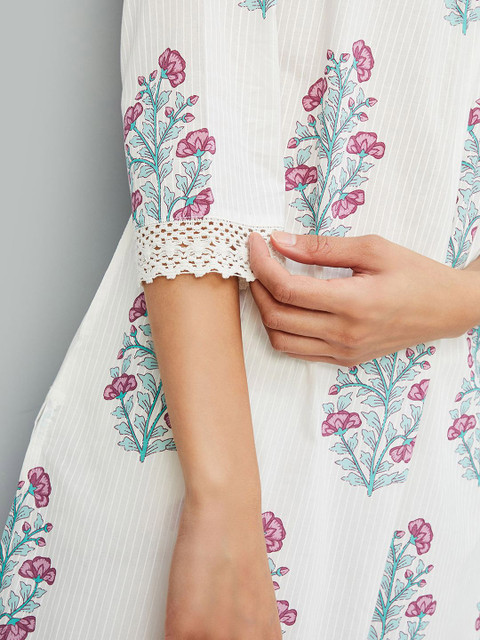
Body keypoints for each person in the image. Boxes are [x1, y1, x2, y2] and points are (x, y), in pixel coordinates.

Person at [1, 1, 480, 639]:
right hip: (226, 412)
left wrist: (464, 298)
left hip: (446, 451)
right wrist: (224, 504)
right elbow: (188, 103)